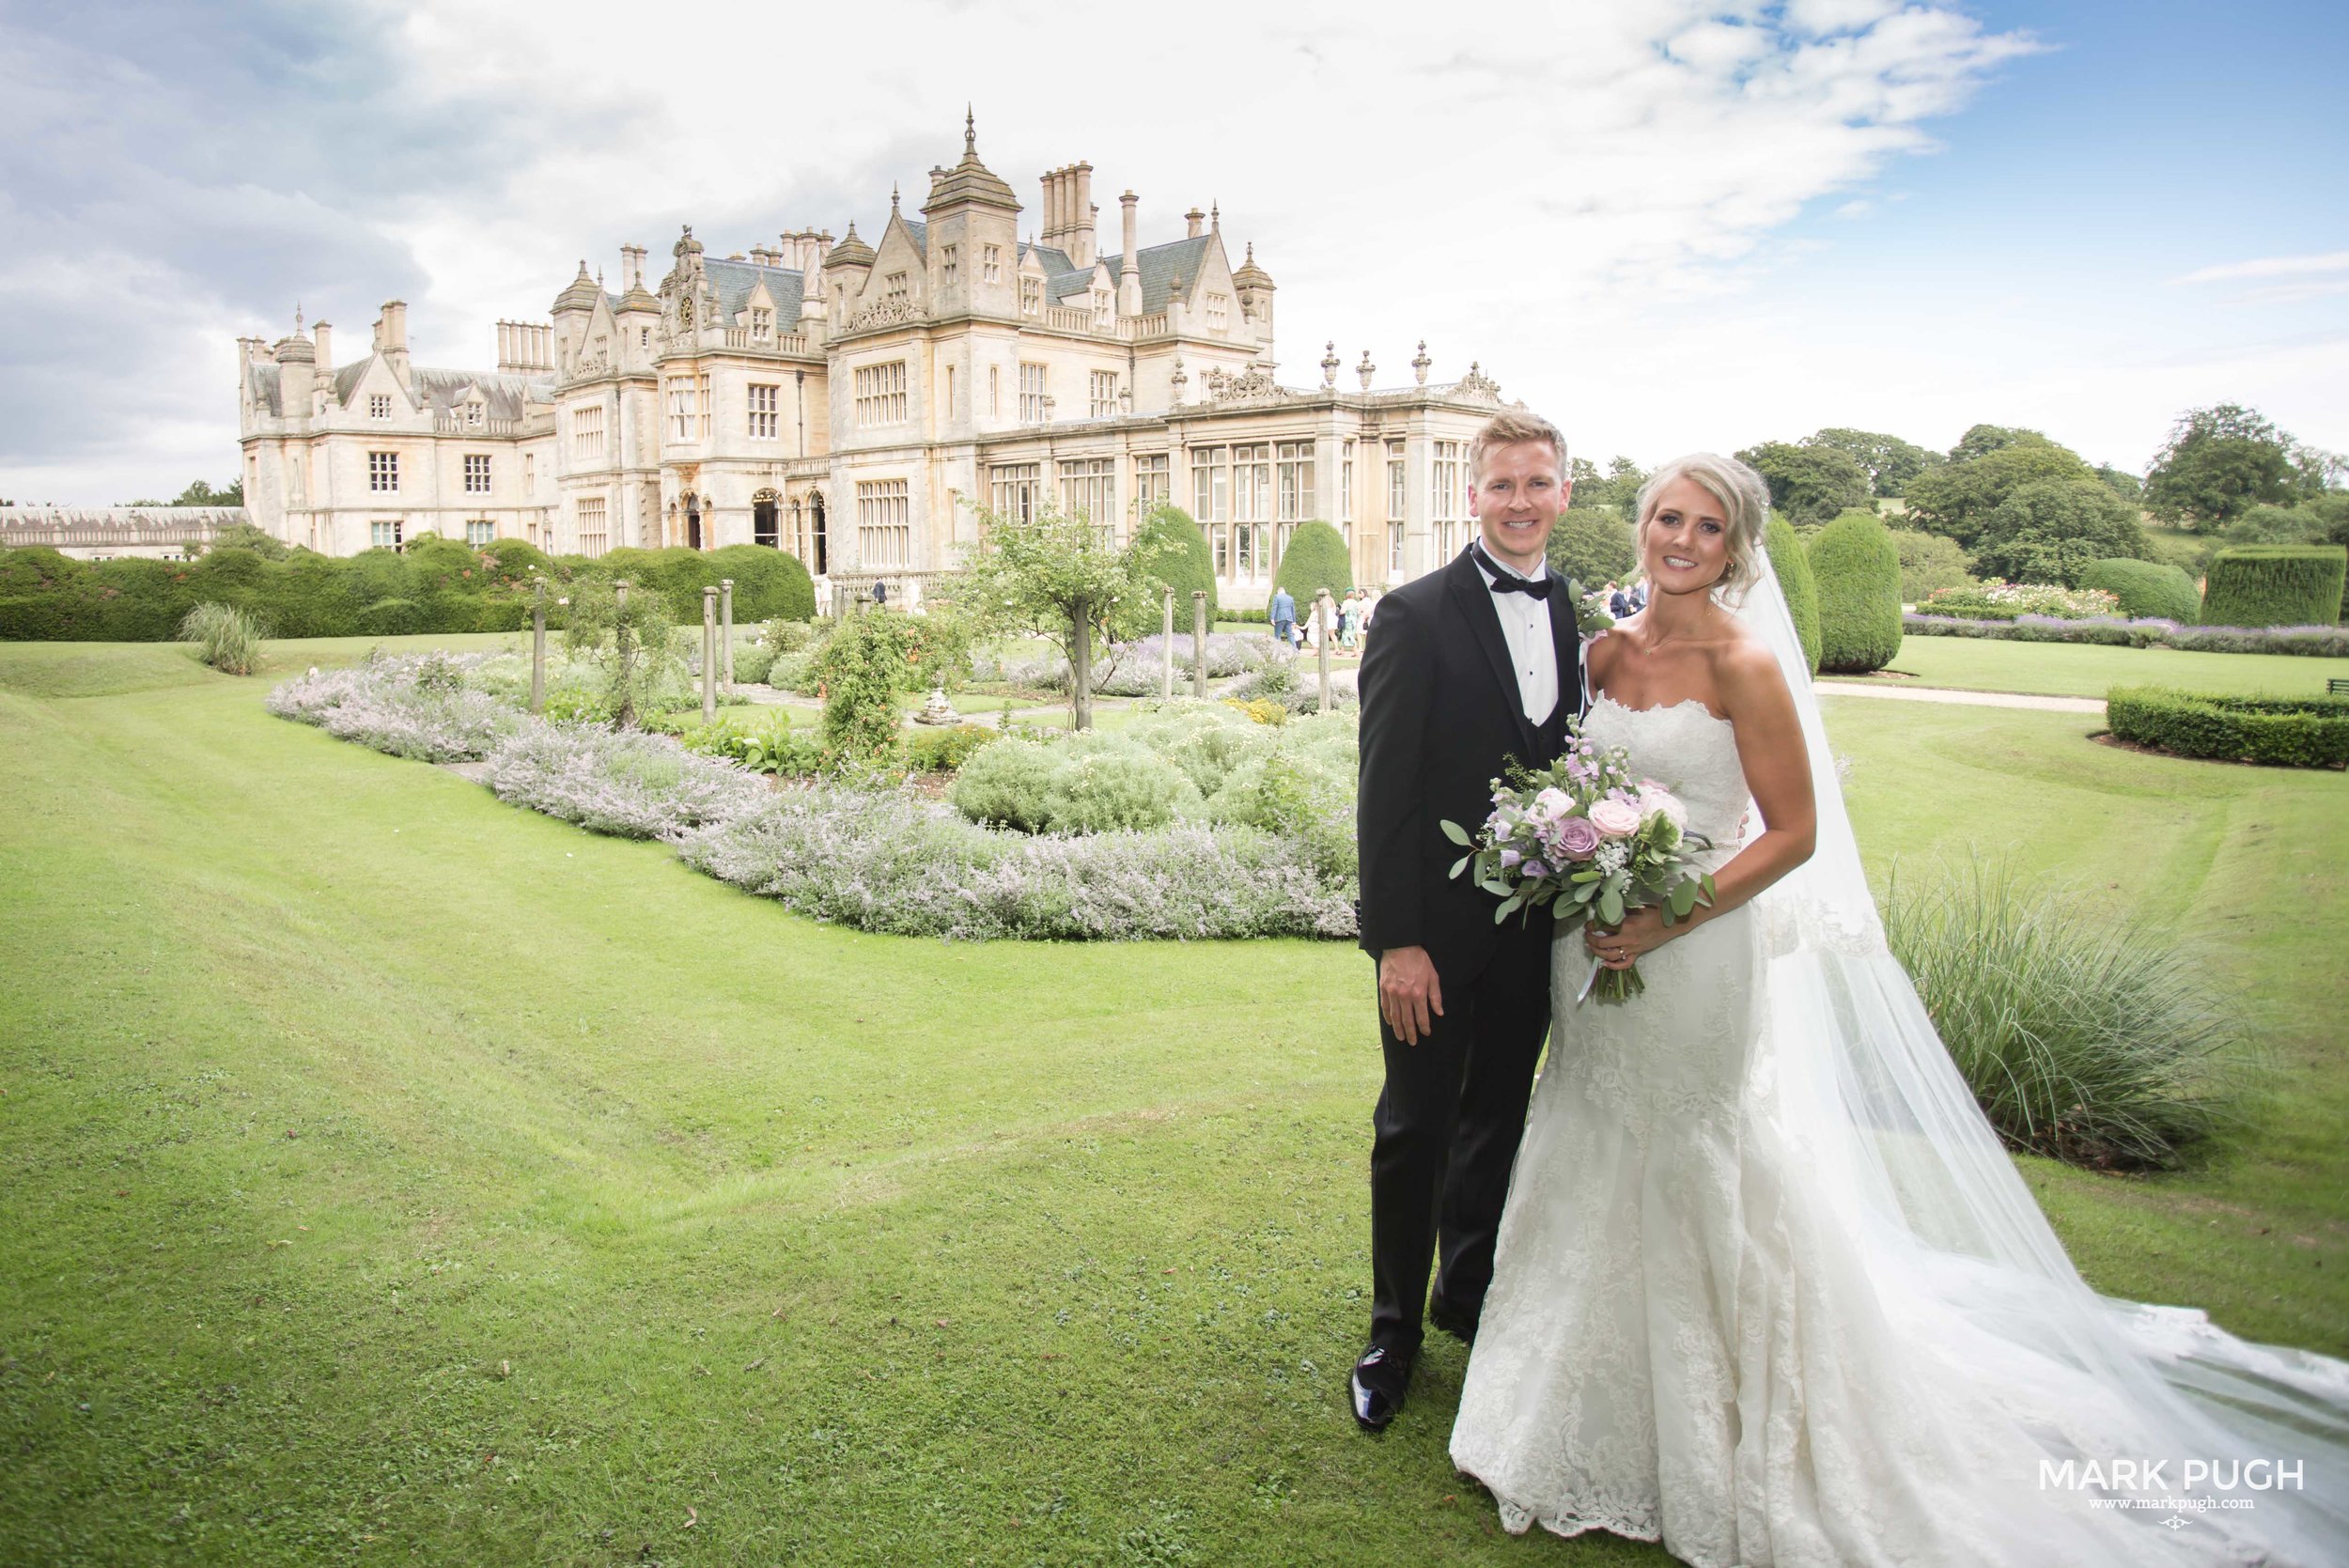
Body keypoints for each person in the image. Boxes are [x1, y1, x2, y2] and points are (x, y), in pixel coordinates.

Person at [1448, 453, 2349, 1564]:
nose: (1681, 539)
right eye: (1666, 518)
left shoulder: (1748, 664)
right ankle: (1550, 1407)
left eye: (1708, 526)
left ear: (1737, 547)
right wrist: (1573, 868)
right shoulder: (1603, 652)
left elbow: (1792, 834)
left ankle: (1710, 1425)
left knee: (1687, 1156)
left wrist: (1665, 918)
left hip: (1692, 956)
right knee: (1585, 1141)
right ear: (1638, 526)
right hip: (1586, 957)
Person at [1349, 408, 1583, 1432]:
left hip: (1537, 932)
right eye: (1502, 485)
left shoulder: (1579, 614)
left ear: (1562, 494)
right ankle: (1392, 1327)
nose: (1520, 502)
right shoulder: (1412, 613)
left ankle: (1465, 1294)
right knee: (1415, 1128)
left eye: (1538, 483)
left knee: (1500, 1117)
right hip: (1432, 941)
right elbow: (1383, 789)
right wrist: (1396, 939)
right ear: (1472, 492)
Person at [1269, 585, 1297, 651]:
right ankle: (1295, 650)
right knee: (1290, 635)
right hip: (1289, 618)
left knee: (1277, 635)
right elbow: (1293, 610)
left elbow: (1274, 608)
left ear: (1278, 591)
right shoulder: (1290, 598)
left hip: (1280, 618)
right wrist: (1294, 621)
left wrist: (1272, 618)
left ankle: (1278, 649)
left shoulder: (1277, 597)